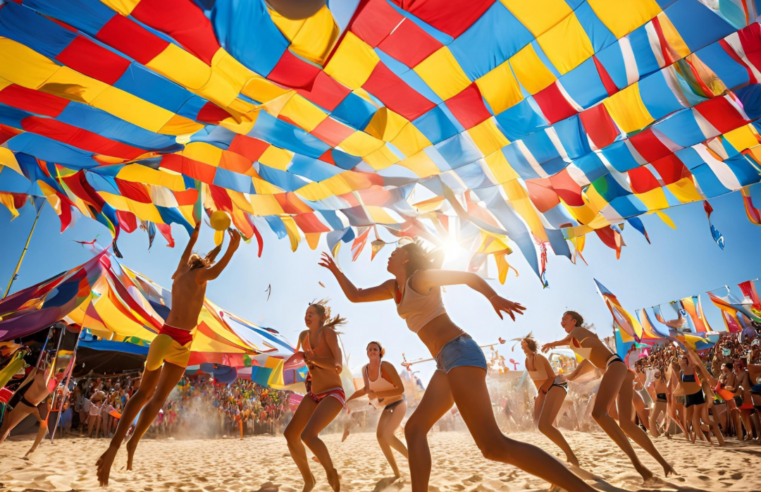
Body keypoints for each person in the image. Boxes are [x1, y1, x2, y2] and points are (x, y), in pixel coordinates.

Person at [320, 241, 596, 492]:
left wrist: (493, 297)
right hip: (445, 361)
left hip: (461, 351)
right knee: (414, 429)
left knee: (493, 446)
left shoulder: (420, 277)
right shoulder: (394, 287)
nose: (390, 253)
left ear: (407, 259)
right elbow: (355, 295)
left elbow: (468, 277)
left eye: (397, 250)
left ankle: (580, 489)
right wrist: (336, 270)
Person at [96, 224, 241, 486]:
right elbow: (215, 270)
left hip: (169, 340)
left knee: (146, 394)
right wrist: (231, 249)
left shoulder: (181, 272)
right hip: (176, 341)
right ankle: (122, 445)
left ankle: (125, 444)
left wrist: (204, 242)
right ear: (202, 267)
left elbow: (198, 258)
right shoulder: (200, 276)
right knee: (154, 397)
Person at [543, 311, 675, 480]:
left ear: (574, 321)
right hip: (620, 369)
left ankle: (638, 465)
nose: (562, 322)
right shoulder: (583, 343)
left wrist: (551, 344)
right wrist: (567, 377)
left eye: (565, 319)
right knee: (626, 424)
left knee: (598, 414)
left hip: (615, 366)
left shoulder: (577, 332)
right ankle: (663, 463)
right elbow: (587, 365)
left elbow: (568, 340)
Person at [284, 301, 346, 492]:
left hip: (333, 393)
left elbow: (337, 364)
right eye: (306, 313)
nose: (307, 316)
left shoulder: (327, 333)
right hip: (314, 394)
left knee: (308, 435)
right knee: (290, 435)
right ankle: (308, 480)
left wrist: (311, 358)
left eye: (311, 313)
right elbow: (306, 360)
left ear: (322, 318)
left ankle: (330, 473)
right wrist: (302, 361)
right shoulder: (303, 337)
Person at [345, 341, 409, 478]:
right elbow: (366, 390)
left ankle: (413, 461)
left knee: (387, 435)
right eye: (370, 349)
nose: (372, 351)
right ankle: (397, 473)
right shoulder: (365, 369)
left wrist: (378, 395)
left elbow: (401, 389)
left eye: (375, 349)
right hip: (387, 406)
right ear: (367, 353)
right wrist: (348, 399)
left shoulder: (385, 366)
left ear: (380, 352)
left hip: (399, 403)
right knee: (380, 437)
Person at [519, 334, 578, 466]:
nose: (521, 345)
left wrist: (543, 392)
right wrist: (538, 394)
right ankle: (563, 453)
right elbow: (536, 380)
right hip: (545, 389)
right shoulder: (526, 360)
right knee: (538, 423)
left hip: (556, 385)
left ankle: (571, 456)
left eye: (523, 343)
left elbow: (551, 377)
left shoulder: (538, 357)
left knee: (544, 425)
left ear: (529, 345)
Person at [648, 368, 668, 437]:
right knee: (666, 418)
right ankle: (665, 432)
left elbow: (653, 389)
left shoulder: (658, 378)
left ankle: (656, 435)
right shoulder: (666, 377)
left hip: (659, 400)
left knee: (652, 420)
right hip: (665, 400)